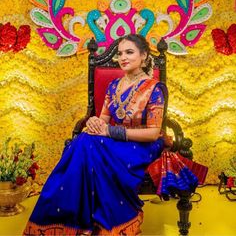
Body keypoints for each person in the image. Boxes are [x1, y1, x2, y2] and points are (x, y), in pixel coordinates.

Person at [23, 34, 207, 236]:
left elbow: (153, 134)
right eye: (120, 53)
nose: (123, 57)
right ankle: (71, 223)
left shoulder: (154, 89)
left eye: (129, 52)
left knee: (84, 144)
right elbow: (103, 118)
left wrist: (110, 130)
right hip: (114, 142)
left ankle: (79, 223)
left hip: (142, 144)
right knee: (84, 141)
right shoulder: (114, 86)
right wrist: (94, 122)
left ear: (144, 56)